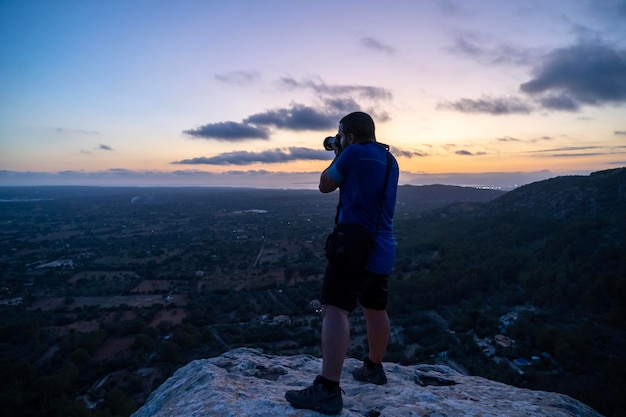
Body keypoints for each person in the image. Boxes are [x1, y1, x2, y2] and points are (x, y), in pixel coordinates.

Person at [285, 111, 399, 415]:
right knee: (375, 307)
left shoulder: (353, 154)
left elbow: (325, 184)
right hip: (383, 246)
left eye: (340, 136)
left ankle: (327, 388)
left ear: (348, 136)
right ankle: (374, 367)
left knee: (335, 309)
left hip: (353, 246)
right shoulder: (390, 159)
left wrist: (339, 154)